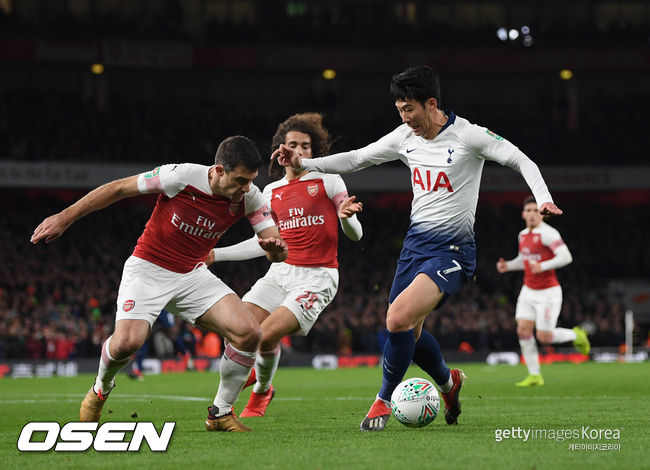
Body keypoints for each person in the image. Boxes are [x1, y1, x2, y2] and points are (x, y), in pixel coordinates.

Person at [273, 65, 563, 432]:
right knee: (407, 331)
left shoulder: (469, 136)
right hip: (414, 247)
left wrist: (543, 197)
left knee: (397, 319)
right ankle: (448, 383)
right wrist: (305, 163)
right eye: (399, 110)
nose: (404, 118)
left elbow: (520, 158)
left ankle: (382, 399)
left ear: (432, 104)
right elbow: (359, 158)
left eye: (409, 109)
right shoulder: (404, 137)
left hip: (453, 251)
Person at [31, 135, 288, 432]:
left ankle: (220, 413)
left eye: (251, 181)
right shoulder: (180, 176)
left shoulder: (250, 197)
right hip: (148, 269)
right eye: (241, 180)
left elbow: (275, 246)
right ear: (219, 170)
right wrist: (64, 218)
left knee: (249, 333)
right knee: (127, 343)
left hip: (192, 274)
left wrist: (276, 250)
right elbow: (118, 188)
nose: (246, 188)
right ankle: (101, 388)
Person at [207, 113, 363, 417]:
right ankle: (263, 386)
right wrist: (217, 254)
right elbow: (263, 241)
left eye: (305, 146)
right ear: (281, 150)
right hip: (279, 274)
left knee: (263, 335)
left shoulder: (329, 180)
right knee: (236, 329)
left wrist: (347, 218)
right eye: (293, 144)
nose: (299, 150)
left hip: (317, 277)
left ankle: (259, 388)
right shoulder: (270, 192)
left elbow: (356, 234)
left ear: (314, 151)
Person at [496, 195, 589, 386]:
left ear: (542, 215)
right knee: (523, 330)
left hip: (548, 292)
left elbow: (566, 257)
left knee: (544, 337)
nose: (532, 214)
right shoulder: (522, 235)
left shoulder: (549, 234)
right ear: (523, 214)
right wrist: (509, 266)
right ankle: (534, 375)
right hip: (528, 290)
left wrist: (543, 266)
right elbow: (525, 260)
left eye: (535, 211)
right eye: (528, 210)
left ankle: (577, 335)